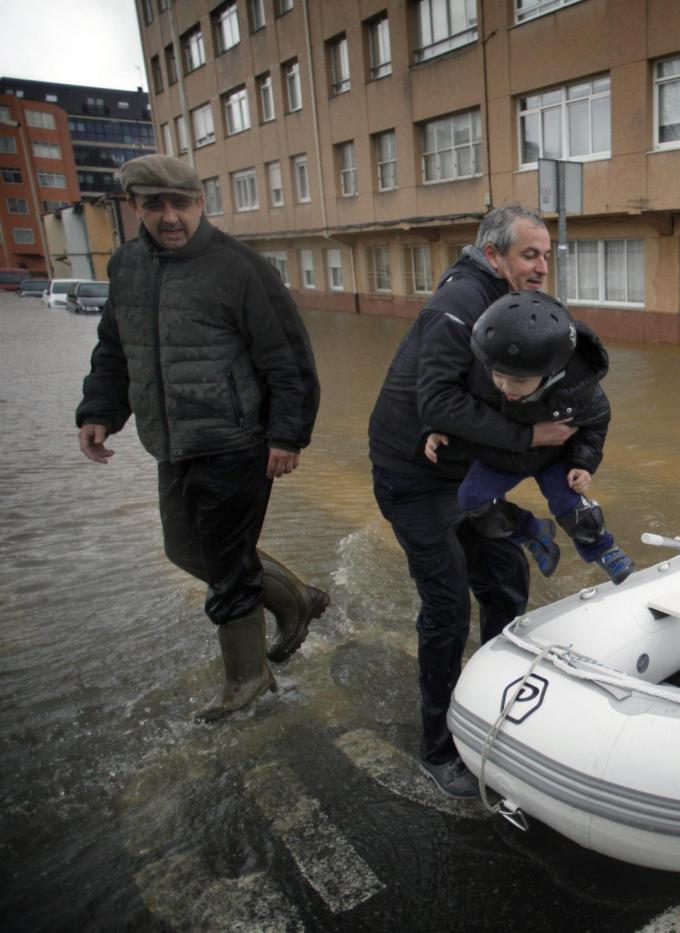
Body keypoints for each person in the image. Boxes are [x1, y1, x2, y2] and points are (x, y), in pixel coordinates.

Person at [76, 153, 324, 723]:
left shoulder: (240, 269)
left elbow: (289, 359)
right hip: (170, 440)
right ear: (133, 207)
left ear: (201, 204)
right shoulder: (126, 267)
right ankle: (297, 600)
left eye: (180, 204)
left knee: (228, 563)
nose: (169, 217)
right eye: (154, 205)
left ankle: (248, 677)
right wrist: (99, 410)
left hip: (237, 442)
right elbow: (116, 349)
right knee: (184, 550)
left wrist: (288, 434)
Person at [368, 205, 575, 799]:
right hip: (413, 477)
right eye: (528, 255)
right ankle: (438, 747)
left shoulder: (519, 306)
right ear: (493, 256)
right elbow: (434, 406)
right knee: (447, 610)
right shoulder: (456, 307)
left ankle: (494, 713)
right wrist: (529, 437)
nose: (541, 268)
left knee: (507, 584)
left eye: (545, 256)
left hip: (468, 471)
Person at [424, 291, 635, 585]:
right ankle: (533, 532)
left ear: (551, 371)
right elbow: (458, 408)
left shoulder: (579, 388)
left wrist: (583, 463)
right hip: (501, 456)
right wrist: (436, 430)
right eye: (498, 375)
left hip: (553, 457)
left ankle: (604, 549)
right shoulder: (483, 373)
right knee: (472, 502)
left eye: (519, 380)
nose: (505, 387)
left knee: (572, 507)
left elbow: (596, 424)